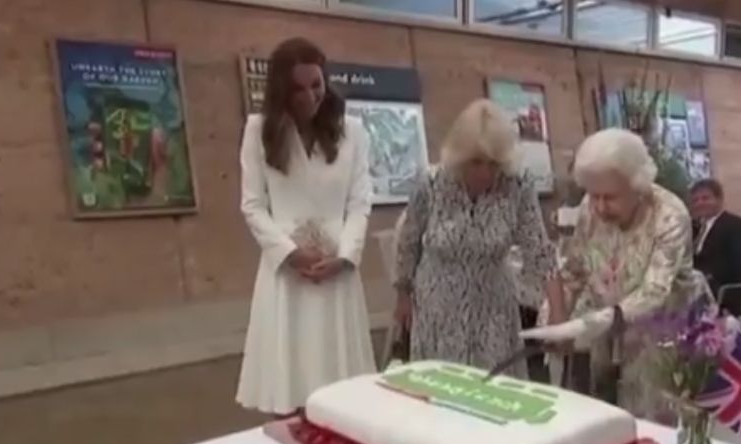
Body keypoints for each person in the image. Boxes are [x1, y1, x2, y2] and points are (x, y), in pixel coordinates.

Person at [236, 38, 375, 415]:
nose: (310, 96)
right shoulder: (258, 131)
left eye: (317, 84)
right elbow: (252, 205)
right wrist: (290, 254)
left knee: (344, 393)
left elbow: (360, 201)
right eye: (298, 88)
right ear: (282, 89)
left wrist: (346, 256)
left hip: (337, 272)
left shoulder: (354, 132)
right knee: (288, 383)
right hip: (287, 273)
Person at [546, 128, 711, 420]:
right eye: (593, 195)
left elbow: (654, 292)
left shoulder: (669, 215)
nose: (598, 207)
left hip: (662, 331)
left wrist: (589, 324)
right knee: (605, 416)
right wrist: (554, 319)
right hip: (606, 330)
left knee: (653, 419)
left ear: (638, 186)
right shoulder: (590, 208)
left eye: (609, 198)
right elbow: (574, 271)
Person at [393, 99, 564, 378]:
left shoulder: (516, 185)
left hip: (493, 310)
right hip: (438, 307)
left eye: (494, 163)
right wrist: (402, 297)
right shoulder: (431, 183)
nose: (485, 172)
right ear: (460, 155)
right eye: (476, 162)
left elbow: (540, 251)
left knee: (492, 391)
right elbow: (408, 241)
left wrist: (558, 314)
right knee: (442, 390)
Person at [689, 179, 741, 316]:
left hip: (724, 289)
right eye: (695, 200)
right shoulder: (695, 228)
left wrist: (704, 276)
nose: (700, 203)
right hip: (695, 286)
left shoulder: (736, 225)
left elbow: (740, 263)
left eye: (705, 198)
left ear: (719, 200)